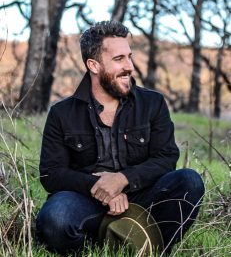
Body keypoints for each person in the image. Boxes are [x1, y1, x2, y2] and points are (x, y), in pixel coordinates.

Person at [36, 20, 205, 255]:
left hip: (142, 196)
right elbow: (51, 174)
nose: (130, 66)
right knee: (56, 218)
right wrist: (101, 187)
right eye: (119, 59)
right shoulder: (62, 112)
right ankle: (98, 246)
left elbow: (166, 158)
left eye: (129, 56)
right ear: (93, 65)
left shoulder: (153, 103)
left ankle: (152, 248)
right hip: (87, 200)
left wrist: (123, 179)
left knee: (190, 182)